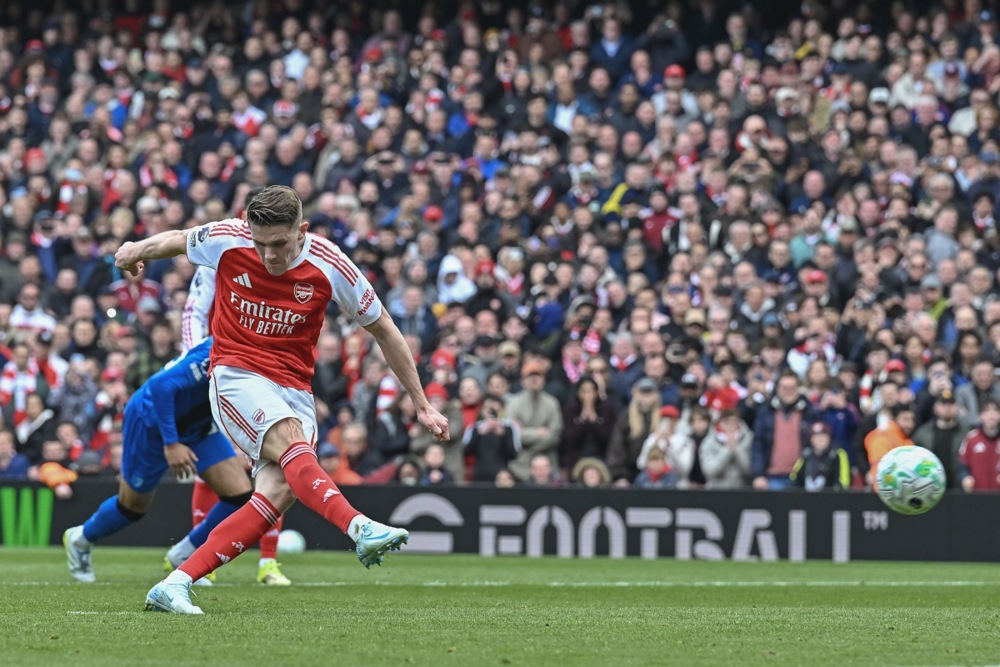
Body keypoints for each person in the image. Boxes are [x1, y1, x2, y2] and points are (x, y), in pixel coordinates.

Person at [115, 185, 449, 614]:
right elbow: (177, 239)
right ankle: (359, 526)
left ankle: (175, 582)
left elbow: (383, 327)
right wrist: (135, 249)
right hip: (235, 373)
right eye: (261, 243)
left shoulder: (329, 264)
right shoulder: (228, 238)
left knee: (274, 496)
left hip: (294, 388)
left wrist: (421, 403)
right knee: (289, 440)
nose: (269, 255)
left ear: (301, 230)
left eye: (279, 244)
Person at [62, 337, 254, 584]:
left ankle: (183, 555)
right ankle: (80, 538)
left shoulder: (259, 352)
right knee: (132, 508)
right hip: (151, 423)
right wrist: (171, 443)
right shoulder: (215, 353)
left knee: (238, 496)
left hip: (198, 424)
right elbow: (161, 386)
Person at [179, 256, 290, 586]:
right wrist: (197, 358)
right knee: (214, 465)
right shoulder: (219, 255)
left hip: (268, 371)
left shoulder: (285, 261)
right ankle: (203, 557)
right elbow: (194, 312)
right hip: (220, 369)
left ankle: (269, 562)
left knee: (275, 462)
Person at [699, 409, 753, 489]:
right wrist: (727, 449)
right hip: (716, 490)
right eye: (727, 422)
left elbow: (750, 471)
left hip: (742, 490)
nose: (731, 425)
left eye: (734, 422)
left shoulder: (748, 439)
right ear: (720, 424)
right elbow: (710, 471)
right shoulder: (709, 442)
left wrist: (737, 449)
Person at [790, 422, 850, 491]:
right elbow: (794, 476)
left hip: (830, 497)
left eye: (824, 436)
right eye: (817, 436)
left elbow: (844, 481)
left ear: (829, 438)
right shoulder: (806, 454)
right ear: (811, 439)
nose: (821, 440)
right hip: (807, 497)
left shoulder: (838, 454)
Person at [958, 399, 1000, 492]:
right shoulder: (971, 438)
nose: (991, 415)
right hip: (977, 495)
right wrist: (965, 477)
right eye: (986, 411)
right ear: (979, 416)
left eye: (995, 410)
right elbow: (962, 464)